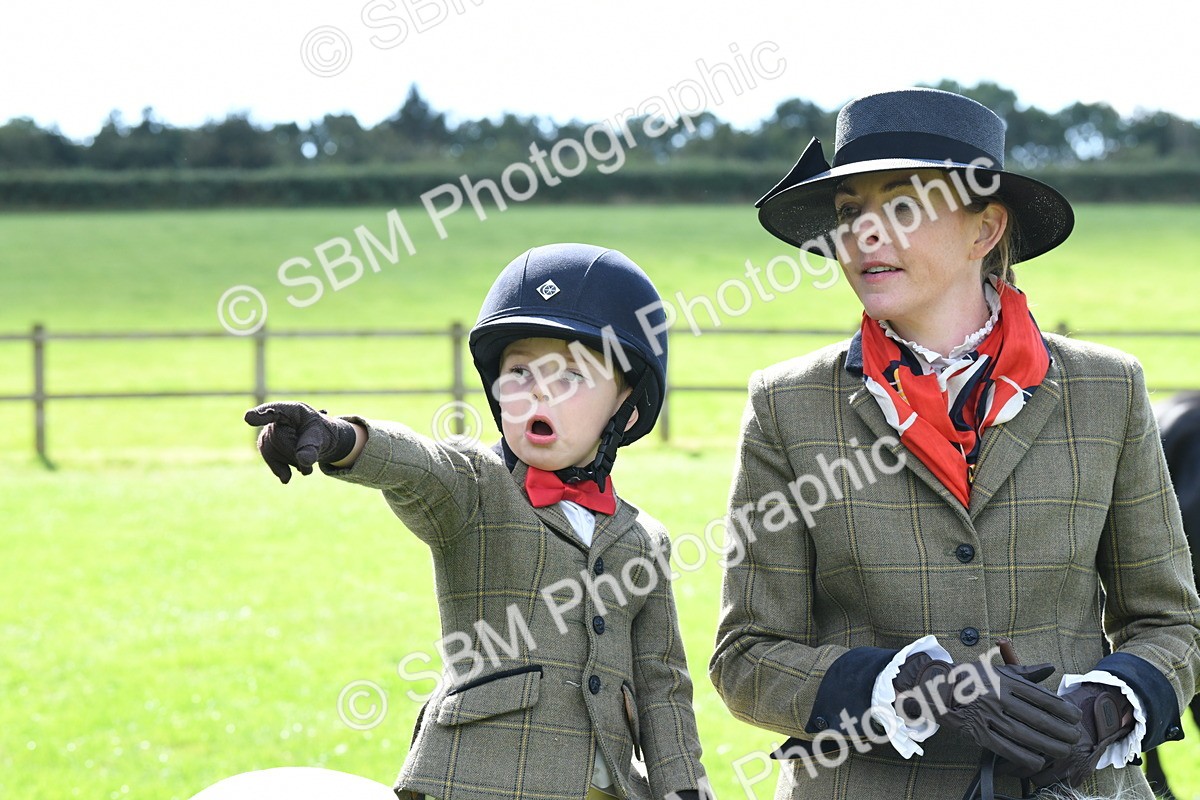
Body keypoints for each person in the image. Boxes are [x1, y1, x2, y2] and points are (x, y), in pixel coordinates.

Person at [709, 88, 1200, 799]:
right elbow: (746, 658)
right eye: (850, 214)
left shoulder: (1108, 389)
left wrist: (1103, 707)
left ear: (985, 230)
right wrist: (907, 686)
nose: (865, 235)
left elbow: (1172, 623)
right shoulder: (787, 405)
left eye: (902, 207)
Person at [245, 243, 710, 800]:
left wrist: (686, 790)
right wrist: (345, 439)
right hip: (476, 778)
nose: (538, 389)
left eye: (572, 375)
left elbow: (663, 686)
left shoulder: (644, 540)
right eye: (519, 371)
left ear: (626, 406)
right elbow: (420, 465)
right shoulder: (477, 486)